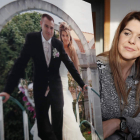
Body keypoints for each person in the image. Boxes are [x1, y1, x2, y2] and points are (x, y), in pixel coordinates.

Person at [0, 14, 87, 140]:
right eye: (46, 26)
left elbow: (70, 66)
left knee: (58, 129)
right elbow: (20, 64)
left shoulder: (57, 44)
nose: (49, 30)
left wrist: (82, 84)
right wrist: (8, 90)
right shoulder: (32, 39)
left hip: (57, 90)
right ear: (41, 24)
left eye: (52, 28)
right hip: (41, 91)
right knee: (43, 129)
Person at [96, 11, 140, 140]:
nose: (131, 41)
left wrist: (118, 123)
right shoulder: (97, 68)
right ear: (119, 35)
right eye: (127, 33)